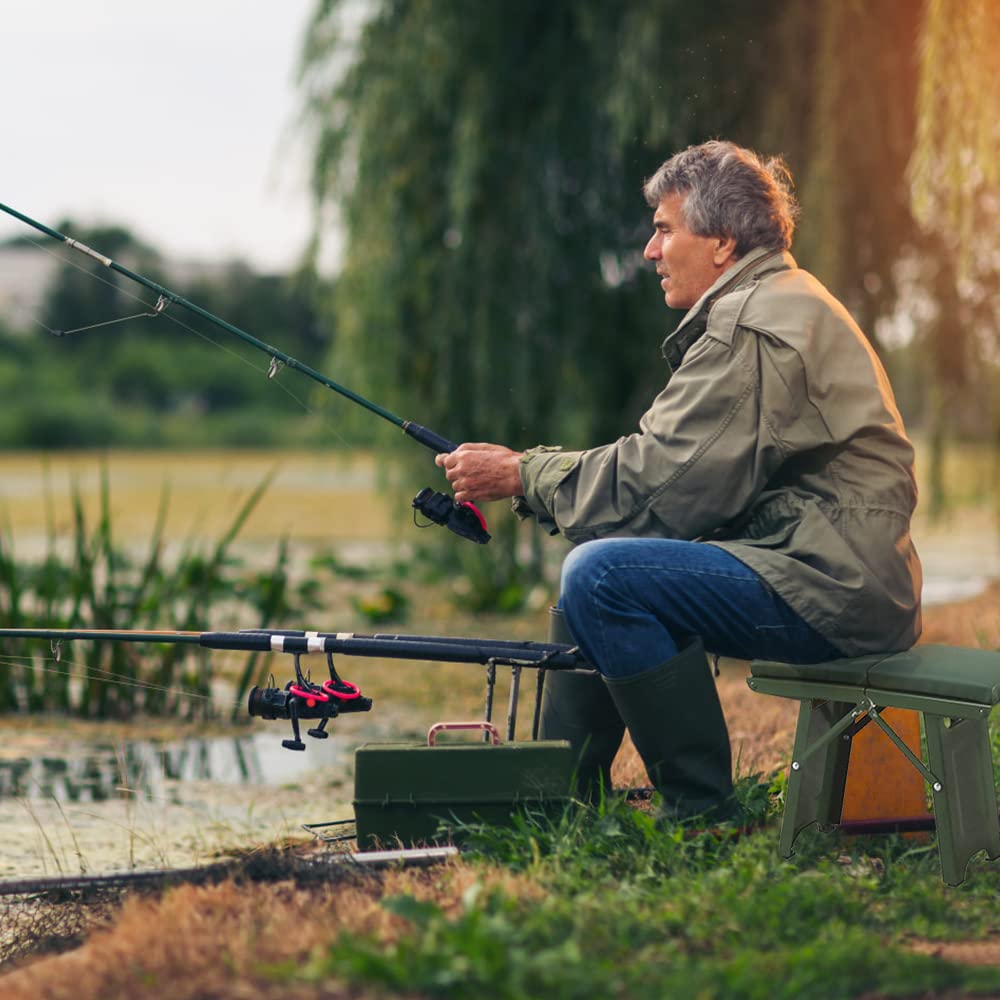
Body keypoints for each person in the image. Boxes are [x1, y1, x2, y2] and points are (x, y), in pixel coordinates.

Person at [435, 140, 922, 821]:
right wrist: (540, 480)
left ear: (722, 243)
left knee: (602, 575)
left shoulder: (751, 326)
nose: (649, 251)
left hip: (829, 591)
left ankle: (701, 813)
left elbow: (658, 486)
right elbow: (674, 486)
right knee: (597, 571)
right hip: (837, 577)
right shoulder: (777, 300)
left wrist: (522, 473)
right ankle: (552, 803)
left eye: (665, 229)